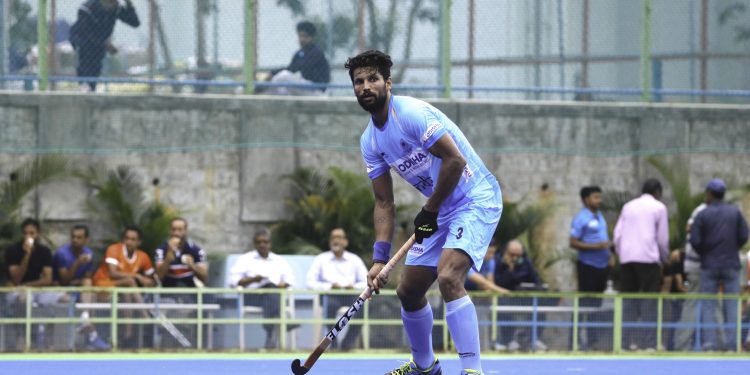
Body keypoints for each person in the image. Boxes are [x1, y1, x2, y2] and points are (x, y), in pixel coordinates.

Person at [347, 50, 502, 375]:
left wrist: (429, 210)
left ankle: (473, 370)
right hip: (441, 209)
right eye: (358, 82)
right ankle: (425, 367)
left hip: (475, 199)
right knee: (409, 290)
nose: (365, 87)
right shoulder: (370, 141)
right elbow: (384, 203)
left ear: (388, 83)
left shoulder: (411, 115)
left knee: (448, 277)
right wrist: (379, 258)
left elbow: (455, 161)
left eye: (372, 79)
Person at [690, 178, 749, 351]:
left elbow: (695, 240)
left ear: (709, 194)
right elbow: (744, 235)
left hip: (709, 265)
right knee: (731, 303)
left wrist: (705, 252)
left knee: (709, 304)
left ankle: (709, 344)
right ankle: (731, 345)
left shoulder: (702, 214)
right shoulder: (735, 213)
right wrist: (732, 248)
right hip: (731, 263)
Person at [614, 178, 669, 351]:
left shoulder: (628, 206)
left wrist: (621, 254)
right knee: (649, 302)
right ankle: (649, 344)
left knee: (628, 301)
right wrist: (663, 258)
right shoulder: (659, 207)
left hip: (627, 259)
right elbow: (662, 239)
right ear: (658, 193)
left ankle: (623, 343)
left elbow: (617, 235)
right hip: (648, 258)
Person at [229, 227, 295, 349]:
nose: (262, 245)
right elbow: (233, 282)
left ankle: (270, 334)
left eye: (265, 242)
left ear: (270, 243)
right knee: (270, 289)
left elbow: (289, 281)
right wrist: (254, 279)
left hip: (274, 297)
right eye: (259, 242)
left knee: (271, 288)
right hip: (252, 296)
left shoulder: (279, 260)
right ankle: (284, 323)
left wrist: (281, 285)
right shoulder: (245, 259)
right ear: (254, 243)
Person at [92, 226, 155, 348]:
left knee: (127, 292)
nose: (129, 242)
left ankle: (127, 336)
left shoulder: (143, 256)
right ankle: (146, 316)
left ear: (139, 242)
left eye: (133, 239)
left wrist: (149, 282)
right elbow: (112, 273)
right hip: (103, 284)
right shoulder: (113, 249)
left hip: (121, 288)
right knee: (130, 282)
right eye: (126, 239)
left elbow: (151, 278)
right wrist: (137, 276)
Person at [306, 228, 369, 350]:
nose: (336, 241)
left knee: (361, 307)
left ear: (345, 242)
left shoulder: (354, 259)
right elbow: (310, 282)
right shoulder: (320, 259)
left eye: (339, 238)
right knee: (329, 305)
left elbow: (367, 282)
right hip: (329, 295)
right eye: (333, 238)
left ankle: (347, 343)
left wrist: (353, 286)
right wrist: (329, 286)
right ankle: (332, 343)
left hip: (350, 295)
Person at [52, 225, 110, 350]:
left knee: (93, 293)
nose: (75, 240)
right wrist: (77, 263)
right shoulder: (61, 254)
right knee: (82, 293)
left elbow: (87, 277)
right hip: (61, 291)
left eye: (79, 237)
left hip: (78, 288)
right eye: (73, 237)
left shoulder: (89, 254)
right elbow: (65, 280)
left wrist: (77, 280)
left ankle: (86, 324)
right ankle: (92, 335)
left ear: (86, 239)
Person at [4, 218, 57, 350]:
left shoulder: (44, 251)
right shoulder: (13, 251)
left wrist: (27, 286)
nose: (29, 236)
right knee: (23, 298)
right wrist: (27, 255)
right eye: (26, 233)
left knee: (65, 298)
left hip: (37, 288)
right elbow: (16, 279)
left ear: (37, 234)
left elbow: (47, 279)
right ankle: (23, 337)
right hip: (16, 291)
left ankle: (52, 342)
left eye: (32, 233)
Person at [569, 185, 611, 350]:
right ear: (586, 199)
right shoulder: (581, 218)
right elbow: (572, 242)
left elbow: (604, 241)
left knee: (596, 306)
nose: (599, 201)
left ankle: (592, 342)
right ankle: (575, 341)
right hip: (588, 266)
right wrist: (596, 247)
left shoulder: (599, 216)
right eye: (596, 197)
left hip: (602, 266)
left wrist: (609, 255)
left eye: (600, 197)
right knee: (584, 304)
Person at [69, 0, 140, 91]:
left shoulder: (116, 8)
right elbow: (85, 31)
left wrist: (129, 4)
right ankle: (84, 84)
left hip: (101, 41)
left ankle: (91, 87)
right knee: (86, 56)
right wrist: (106, 44)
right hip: (81, 37)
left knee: (96, 64)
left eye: (114, 2)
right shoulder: (87, 8)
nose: (111, 5)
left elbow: (135, 23)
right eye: (109, 2)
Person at [492, 240, 547, 352]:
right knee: (504, 308)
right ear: (505, 252)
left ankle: (533, 338)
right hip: (504, 298)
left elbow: (536, 280)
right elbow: (499, 282)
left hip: (524, 299)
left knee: (541, 306)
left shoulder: (526, 263)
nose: (515, 258)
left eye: (518, 255)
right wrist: (510, 269)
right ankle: (508, 340)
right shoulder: (497, 262)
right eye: (512, 255)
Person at [267, 21, 330, 96]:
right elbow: (290, 68)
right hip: (305, 88)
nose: (302, 39)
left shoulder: (316, 52)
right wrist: (272, 73)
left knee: (284, 76)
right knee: (282, 89)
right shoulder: (300, 53)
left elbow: (296, 67)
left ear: (312, 37)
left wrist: (273, 73)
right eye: (300, 36)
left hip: (316, 90)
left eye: (305, 36)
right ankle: (268, 100)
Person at [154, 218, 208, 289]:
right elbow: (159, 277)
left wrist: (192, 266)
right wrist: (168, 257)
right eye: (173, 229)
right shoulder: (161, 250)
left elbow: (204, 278)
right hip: (168, 293)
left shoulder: (196, 250)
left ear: (185, 231)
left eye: (180, 230)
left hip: (189, 292)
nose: (176, 233)